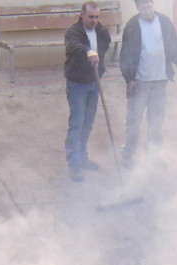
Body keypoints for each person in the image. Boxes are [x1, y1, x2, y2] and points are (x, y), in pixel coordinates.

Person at [119, 0, 177, 168]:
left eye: (149, 6)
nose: (147, 10)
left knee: (156, 121)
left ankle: (153, 156)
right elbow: (126, 54)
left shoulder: (165, 22)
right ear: (138, 8)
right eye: (143, 8)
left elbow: (174, 46)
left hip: (160, 80)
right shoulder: (132, 25)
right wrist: (129, 78)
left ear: (153, 4)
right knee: (134, 120)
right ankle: (128, 155)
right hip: (140, 82)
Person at [63, 1, 112, 182]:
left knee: (88, 123)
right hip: (77, 84)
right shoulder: (73, 32)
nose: (94, 21)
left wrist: (100, 66)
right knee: (76, 124)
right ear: (82, 15)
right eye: (91, 17)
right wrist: (88, 52)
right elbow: (73, 45)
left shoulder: (101, 30)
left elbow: (105, 45)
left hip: (94, 83)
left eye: (97, 17)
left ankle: (83, 158)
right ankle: (74, 164)